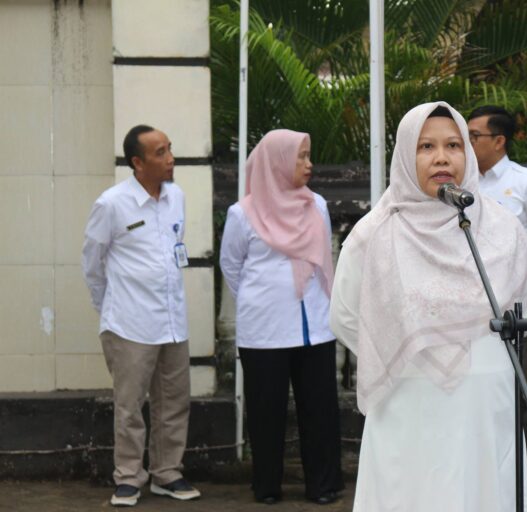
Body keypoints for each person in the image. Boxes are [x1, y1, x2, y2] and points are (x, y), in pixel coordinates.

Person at [330, 102, 527, 512]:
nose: (442, 158)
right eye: (426, 146)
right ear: (405, 155)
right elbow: (344, 316)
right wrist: (400, 347)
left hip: (486, 399)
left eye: (453, 145)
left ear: (468, 154)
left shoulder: (502, 228)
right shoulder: (374, 233)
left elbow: (525, 311)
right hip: (407, 395)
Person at [219, 129, 344, 506]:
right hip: (265, 331)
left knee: (320, 411)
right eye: (300, 157)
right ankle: (267, 486)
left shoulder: (316, 205)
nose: (309, 164)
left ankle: (323, 485)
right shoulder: (243, 213)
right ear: (277, 162)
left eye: (308, 155)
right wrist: (263, 300)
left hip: (314, 327)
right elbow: (231, 266)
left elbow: (322, 259)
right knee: (266, 413)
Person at [82, 125, 200, 507]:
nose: (170, 159)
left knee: (174, 402)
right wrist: (109, 307)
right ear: (137, 162)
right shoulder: (112, 204)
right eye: (160, 152)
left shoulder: (176, 197)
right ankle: (129, 478)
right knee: (130, 405)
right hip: (129, 323)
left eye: (170, 149)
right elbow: (92, 264)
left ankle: (167, 473)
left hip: (172, 321)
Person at [468, 105, 527, 470]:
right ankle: (485, 468)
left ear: (499, 141)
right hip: (471, 306)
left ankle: (523, 470)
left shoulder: (526, 182)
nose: (467, 142)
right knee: (478, 387)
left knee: (520, 387)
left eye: (474, 136)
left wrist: (523, 279)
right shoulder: (461, 183)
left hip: (516, 308)